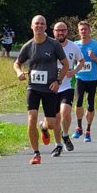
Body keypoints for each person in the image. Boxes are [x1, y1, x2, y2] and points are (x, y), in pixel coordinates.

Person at [12, 16, 68, 165]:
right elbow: (17, 64)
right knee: (31, 118)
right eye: (37, 23)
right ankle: (36, 153)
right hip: (33, 87)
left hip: (50, 88)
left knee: (51, 123)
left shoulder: (54, 44)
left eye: (42, 24)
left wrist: (58, 81)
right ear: (32, 26)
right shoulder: (28, 46)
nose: (39, 26)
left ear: (46, 27)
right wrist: (18, 72)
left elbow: (65, 65)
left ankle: (43, 127)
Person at [49, 22, 84, 156]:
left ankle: (64, 136)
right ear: (54, 32)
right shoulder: (49, 45)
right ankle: (51, 136)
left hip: (66, 86)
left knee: (65, 113)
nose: (61, 33)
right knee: (53, 120)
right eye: (58, 31)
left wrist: (74, 71)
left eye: (63, 30)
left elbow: (82, 61)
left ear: (67, 32)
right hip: (52, 87)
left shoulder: (73, 46)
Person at [72, 20, 97, 143]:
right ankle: (79, 127)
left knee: (90, 104)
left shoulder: (96, 45)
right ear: (78, 31)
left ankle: (88, 130)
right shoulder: (75, 45)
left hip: (92, 78)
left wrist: (94, 58)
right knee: (79, 101)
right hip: (80, 78)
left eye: (85, 29)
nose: (83, 31)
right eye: (81, 29)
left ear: (89, 30)